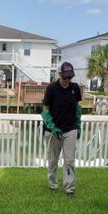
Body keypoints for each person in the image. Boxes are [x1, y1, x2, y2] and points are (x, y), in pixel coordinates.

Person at [41, 62, 82, 196]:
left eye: (69, 78)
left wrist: (78, 126)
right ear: (59, 75)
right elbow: (45, 111)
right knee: (53, 160)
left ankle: (69, 188)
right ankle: (53, 185)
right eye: (64, 77)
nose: (66, 81)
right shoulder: (51, 88)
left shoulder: (75, 88)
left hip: (70, 129)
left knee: (69, 160)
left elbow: (77, 109)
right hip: (53, 129)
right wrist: (53, 127)